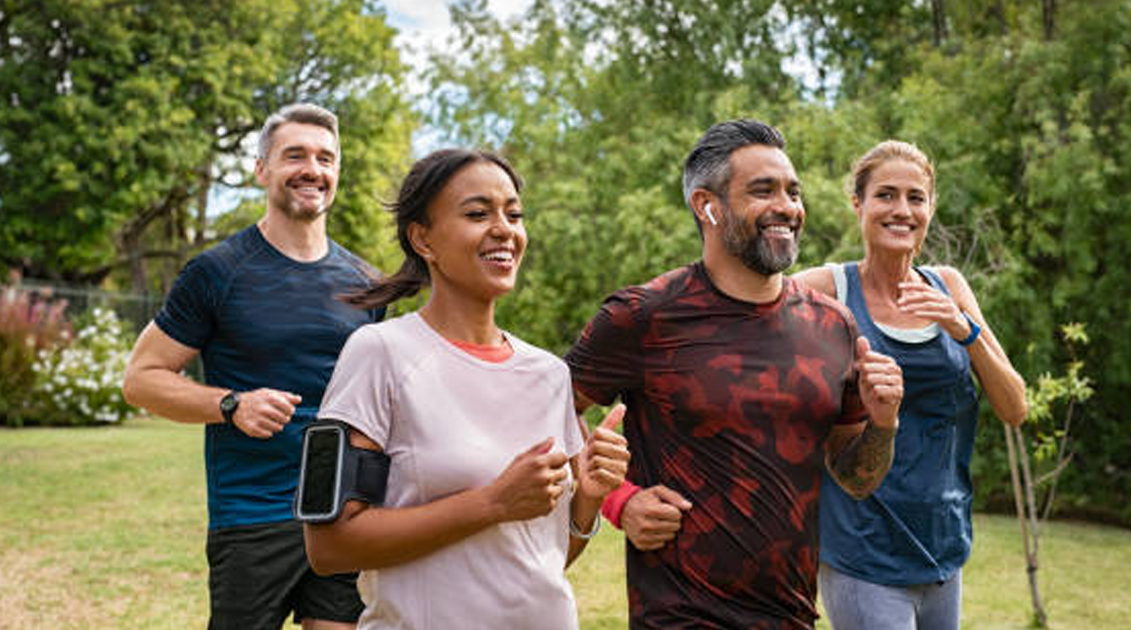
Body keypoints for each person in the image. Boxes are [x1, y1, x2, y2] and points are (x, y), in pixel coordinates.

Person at [566, 119, 905, 629]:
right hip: (679, 616)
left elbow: (856, 478)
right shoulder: (644, 316)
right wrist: (619, 500)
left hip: (791, 616)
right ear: (707, 205)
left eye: (793, 192)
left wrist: (884, 423)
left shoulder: (833, 325)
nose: (788, 208)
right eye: (763, 191)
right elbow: (546, 411)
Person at [302, 148, 630, 630]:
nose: (504, 229)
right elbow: (329, 547)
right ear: (423, 240)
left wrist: (588, 499)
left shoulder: (549, 374)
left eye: (514, 214)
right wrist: (492, 503)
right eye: (478, 213)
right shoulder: (378, 353)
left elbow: (540, 560)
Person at [122, 103, 383, 630]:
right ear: (262, 169)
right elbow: (141, 379)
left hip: (342, 509)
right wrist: (231, 404)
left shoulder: (367, 283)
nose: (313, 169)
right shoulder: (217, 272)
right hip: (253, 518)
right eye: (295, 156)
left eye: (326, 158)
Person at [793, 140, 1028, 630]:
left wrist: (966, 330)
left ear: (930, 208)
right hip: (863, 551)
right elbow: (743, 327)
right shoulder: (825, 290)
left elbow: (1015, 406)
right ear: (857, 204)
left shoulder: (949, 286)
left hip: (943, 548)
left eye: (916, 198)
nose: (902, 210)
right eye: (885, 195)